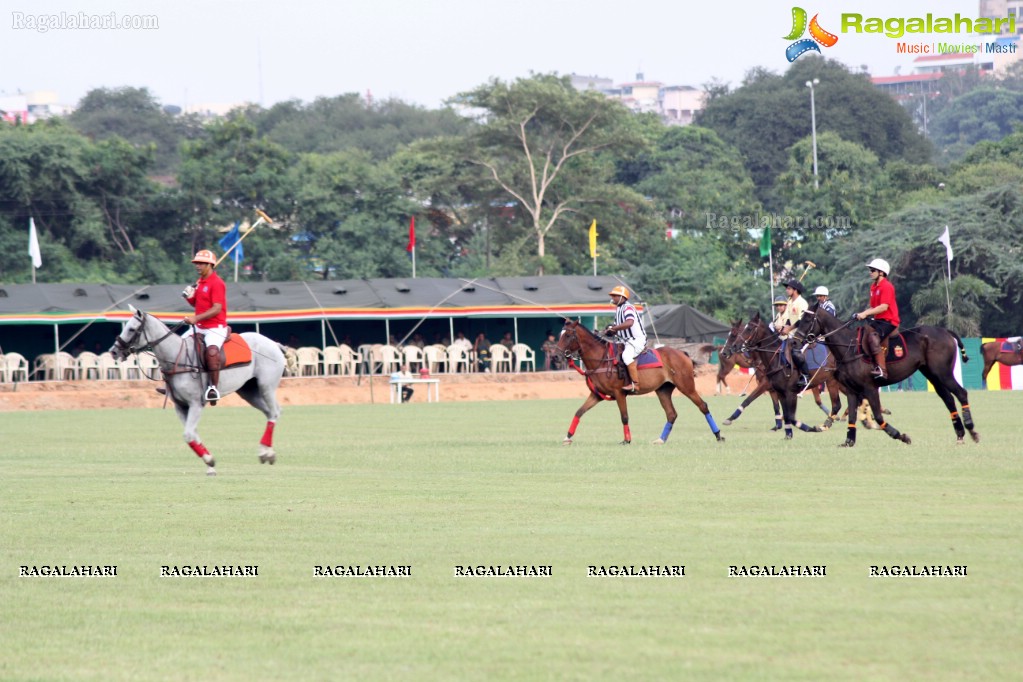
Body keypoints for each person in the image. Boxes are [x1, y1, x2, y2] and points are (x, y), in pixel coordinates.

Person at [182, 249, 228, 403]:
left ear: (210, 265)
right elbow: (197, 304)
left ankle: (213, 388)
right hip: (200, 326)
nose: (197, 266)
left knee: (212, 351)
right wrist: (190, 297)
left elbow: (216, 308)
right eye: (196, 263)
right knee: (178, 347)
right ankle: (171, 384)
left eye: (201, 263)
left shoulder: (217, 283)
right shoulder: (200, 283)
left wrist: (196, 318)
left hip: (215, 327)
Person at [854, 258, 900, 379]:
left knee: (873, 337)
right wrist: (862, 313)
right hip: (879, 320)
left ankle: (882, 370)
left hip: (889, 321)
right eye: (870, 270)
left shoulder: (887, 286)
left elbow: (883, 307)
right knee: (861, 333)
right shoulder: (874, 287)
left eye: (872, 270)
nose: (870, 272)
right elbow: (873, 307)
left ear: (881, 272)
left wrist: (865, 313)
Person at [603, 285, 647, 393]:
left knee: (626, 356)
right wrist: (607, 331)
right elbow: (616, 328)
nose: (612, 298)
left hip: (636, 340)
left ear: (622, 297)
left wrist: (614, 328)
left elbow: (629, 322)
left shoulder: (628, 307)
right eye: (612, 296)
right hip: (625, 341)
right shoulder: (618, 310)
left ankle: (635, 384)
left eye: (615, 296)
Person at [777, 279, 811, 390]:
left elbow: (803, 320)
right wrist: (784, 328)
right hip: (792, 333)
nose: (786, 290)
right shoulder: (790, 302)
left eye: (789, 288)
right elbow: (790, 319)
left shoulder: (802, 303)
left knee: (795, 352)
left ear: (795, 290)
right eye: (786, 288)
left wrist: (790, 328)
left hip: (803, 333)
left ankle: (805, 376)